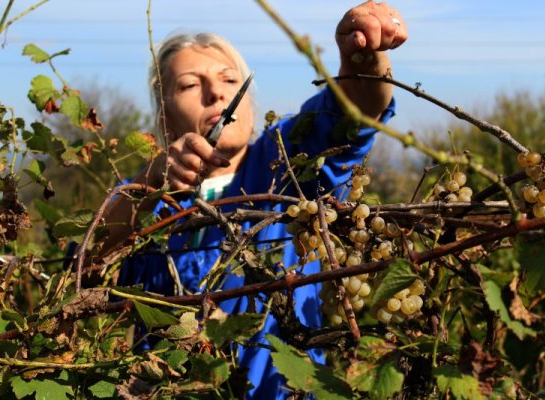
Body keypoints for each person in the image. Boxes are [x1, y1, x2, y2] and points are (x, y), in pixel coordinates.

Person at [101, 1, 407, 398]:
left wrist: (363, 55)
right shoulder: (142, 199)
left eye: (230, 80)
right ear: (164, 113)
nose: (216, 93)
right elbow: (87, 264)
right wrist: (151, 181)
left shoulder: (284, 161)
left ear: (249, 100)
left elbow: (354, 111)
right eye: (190, 85)